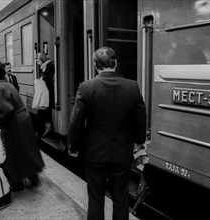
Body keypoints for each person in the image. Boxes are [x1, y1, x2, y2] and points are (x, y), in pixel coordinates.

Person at [68, 47, 147, 220]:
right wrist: (139, 141)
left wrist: (73, 146)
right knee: (121, 199)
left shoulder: (86, 87)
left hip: (95, 154)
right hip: (121, 153)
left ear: (95, 65)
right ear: (115, 63)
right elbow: (141, 119)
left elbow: (76, 122)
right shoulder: (132, 87)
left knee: (95, 199)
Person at [0, 59, 44, 191]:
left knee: (11, 152)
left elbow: (4, 110)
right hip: (21, 120)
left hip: (14, 123)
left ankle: (17, 182)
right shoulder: (5, 84)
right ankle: (32, 177)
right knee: (24, 149)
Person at [36, 52, 55, 137]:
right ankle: (46, 129)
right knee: (43, 112)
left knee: (42, 112)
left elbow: (49, 80)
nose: (36, 61)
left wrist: (42, 79)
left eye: (37, 59)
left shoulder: (49, 66)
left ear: (42, 59)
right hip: (45, 93)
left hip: (48, 94)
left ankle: (43, 131)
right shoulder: (45, 67)